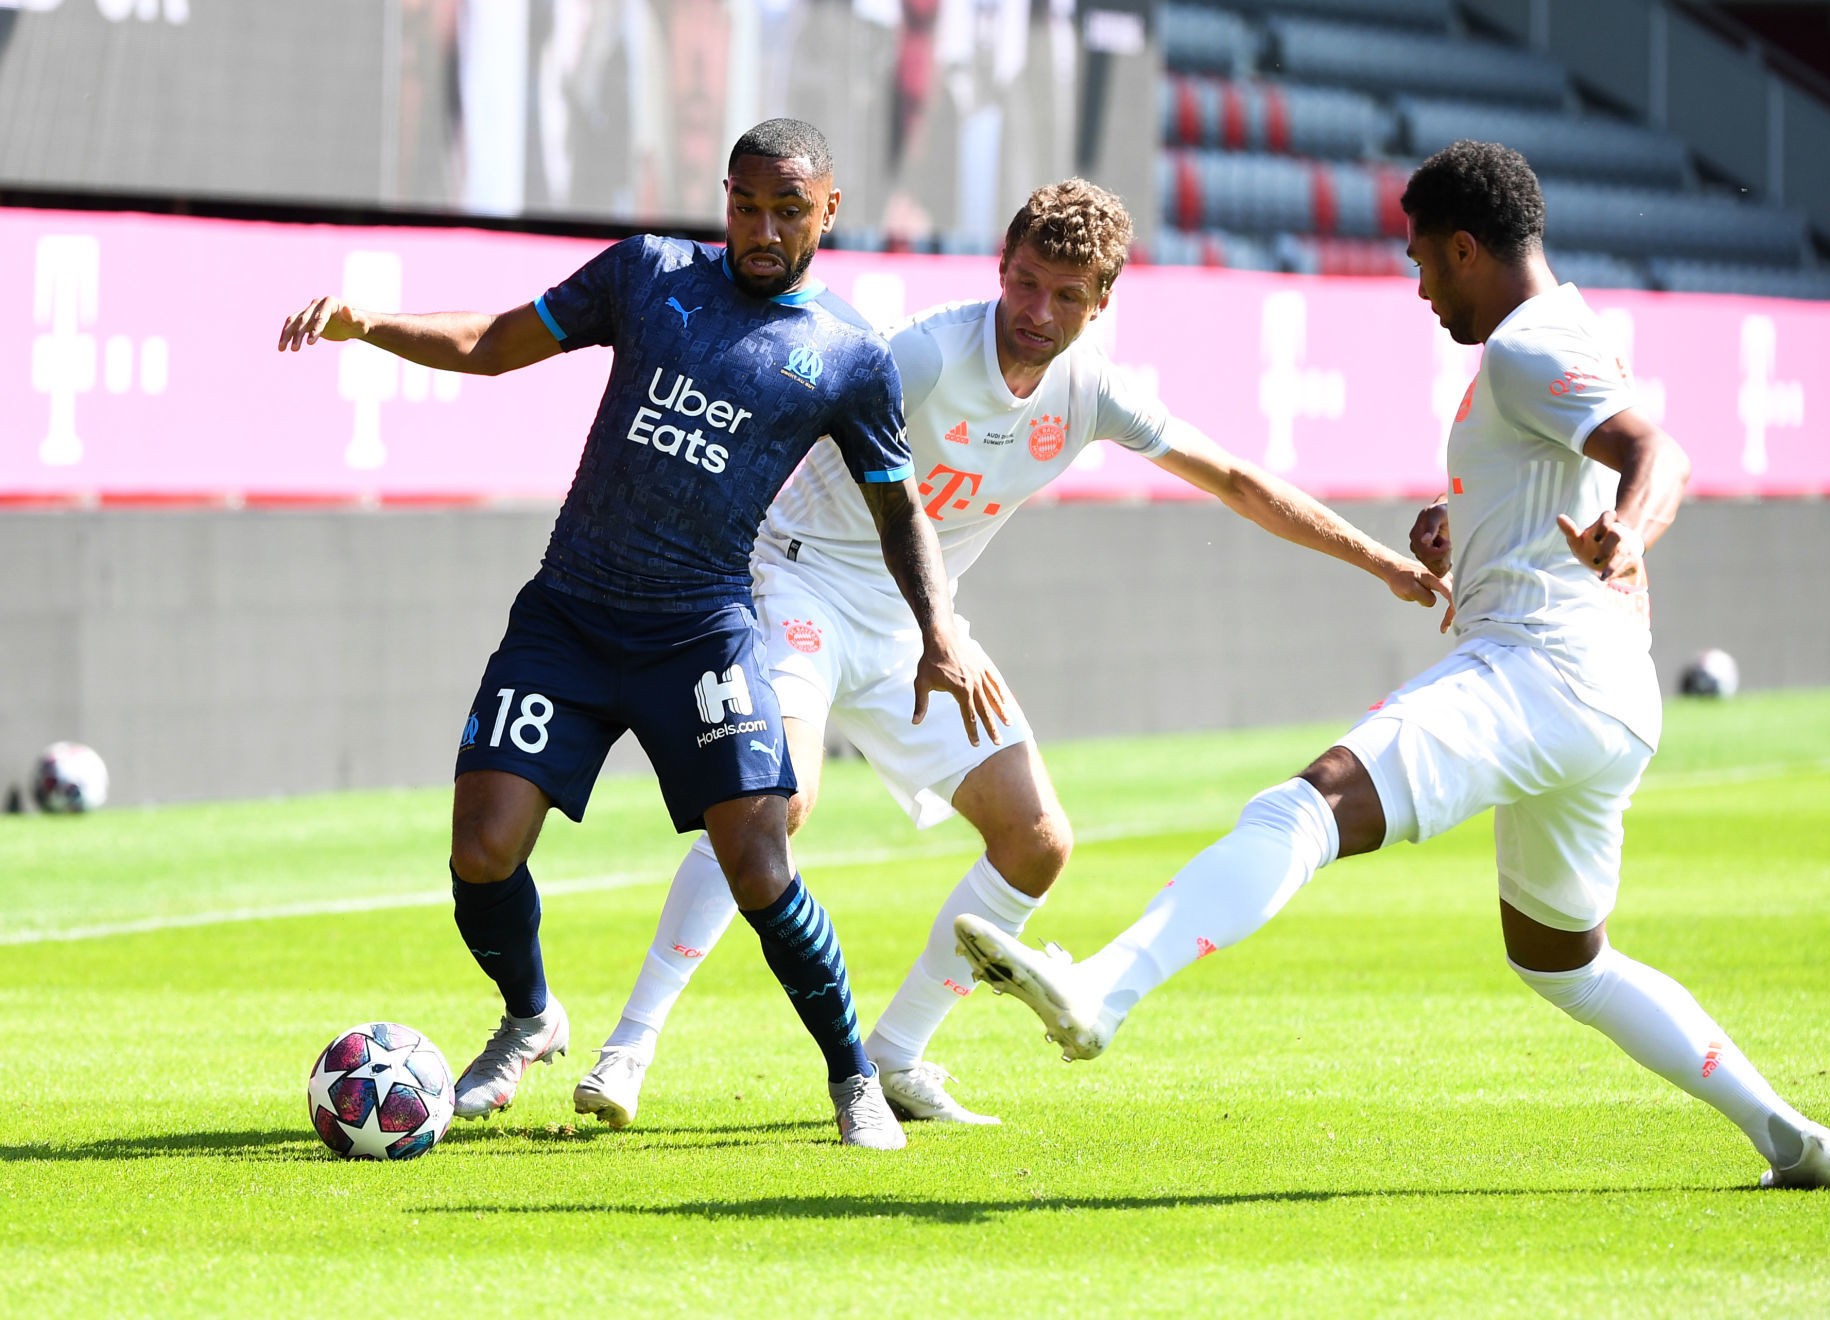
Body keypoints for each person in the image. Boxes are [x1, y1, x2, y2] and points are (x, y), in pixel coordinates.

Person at [954, 142, 1830, 1190]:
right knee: (1562, 961)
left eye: (1422, 261)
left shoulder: (1522, 346)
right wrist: (1465, 519)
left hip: (1539, 668)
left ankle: (1099, 992)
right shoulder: (1565, 331)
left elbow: (1657, 455)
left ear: (1466, 247)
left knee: (1304, 808)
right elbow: (1554, 465)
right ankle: (1787, 1136)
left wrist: (1626, 528)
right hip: (1611, 702)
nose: (1419, 287)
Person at [572, 177, 1450, 1130]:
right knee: (775, 803)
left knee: (1037, 842)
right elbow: (783, 438)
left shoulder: (1092, 388)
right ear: (1001, 265)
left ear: (1103, 301)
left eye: (1066, 296)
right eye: (1025, 283)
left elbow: (1234, 478)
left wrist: (1380, 562)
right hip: (803, 583)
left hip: (920, 628)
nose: (1036, 312)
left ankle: (897, 1057)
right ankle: (629, 1050)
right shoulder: (924, 354)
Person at [277, 118, 1005, 1150]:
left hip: (698, 634)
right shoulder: (647, 276)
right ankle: (531, 1018)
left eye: (787, 211)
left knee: (757, 862)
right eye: (745, 205)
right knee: (481, 851)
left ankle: (852, 1080)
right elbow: (491, 344)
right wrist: (367, 322)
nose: (762, 228)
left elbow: (900, 510)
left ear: (827, 212)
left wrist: (938, 629)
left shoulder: (849, 359)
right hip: (568, 617)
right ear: (723, 199)